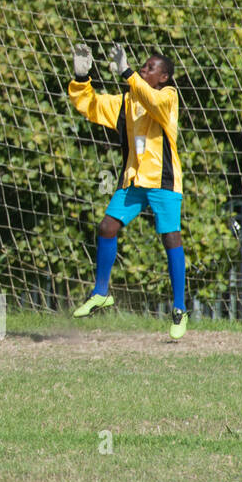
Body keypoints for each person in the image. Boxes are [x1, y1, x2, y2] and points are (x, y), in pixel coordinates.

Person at [68, 43, 188, 338]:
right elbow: (91, 106)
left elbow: (154, 103)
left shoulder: (169, 96)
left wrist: (127, 72)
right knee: (107, 227)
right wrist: (81, 79)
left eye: (150, 68)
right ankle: (100, 292)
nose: (143, 70)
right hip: (133, 180)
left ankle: (179, 308)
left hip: (164, 181)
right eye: (142, 66)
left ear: (164, 78)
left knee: (170, 236)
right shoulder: (127, 101)